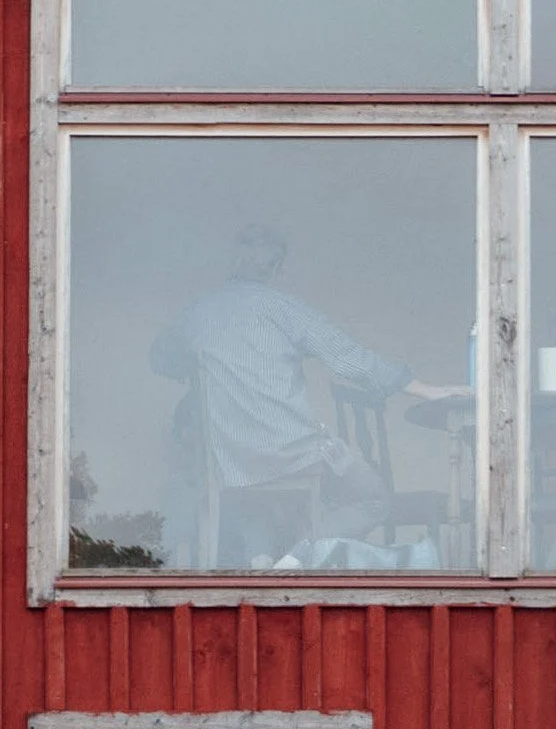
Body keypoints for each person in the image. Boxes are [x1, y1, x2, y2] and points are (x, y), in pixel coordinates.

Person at [150, 224, 426, 545]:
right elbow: (349, 358)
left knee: (257, 514)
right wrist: (421, 388)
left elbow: (160, 359)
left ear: (232, 261)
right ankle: (302, 548)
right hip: (289, 455)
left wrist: (197, 365)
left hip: (230, 462)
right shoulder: (286, 309)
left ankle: (275, 557)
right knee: (374, 499)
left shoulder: (197, 313)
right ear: (276, 269)